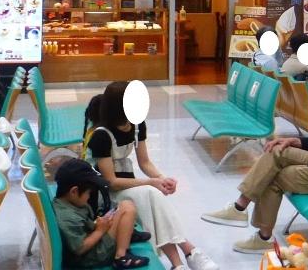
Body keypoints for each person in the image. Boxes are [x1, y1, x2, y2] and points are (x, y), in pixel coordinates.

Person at [201, 52, 308, 253]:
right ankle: (239, 208)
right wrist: (295, 141)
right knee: (277, 149)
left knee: (275, 177)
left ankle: (262, 236)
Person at [86, 82, 218, 270]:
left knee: (151, 198)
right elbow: (111, 182)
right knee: (149, 194)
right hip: (106, 195)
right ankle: (189, 252)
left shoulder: (137, 125)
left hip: (128, 186)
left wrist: (162, 178)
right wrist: (150, 182)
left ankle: (180, 263)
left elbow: (145, 162)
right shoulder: (101, 136)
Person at [53, 159, 151, 269]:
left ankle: (125, 233)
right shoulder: (67, 217)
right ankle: (121, 257)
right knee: (127, 208)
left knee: (122, 208)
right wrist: (100, 231)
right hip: (94, 256)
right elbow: (80, 248)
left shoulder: (66, 203)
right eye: (88, 192)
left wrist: (99, 225)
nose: (89, 196)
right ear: (74, 191)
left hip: (93, 244)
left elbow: (84, 227)